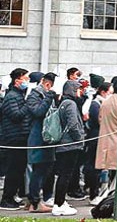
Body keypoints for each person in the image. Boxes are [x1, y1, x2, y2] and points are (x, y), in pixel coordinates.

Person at [52, 80, 86, 216]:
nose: (80, 92)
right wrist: (79, 138)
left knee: (64, 174)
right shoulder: (70, 104)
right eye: (78, 89)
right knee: (65, 175)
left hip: (65, 144)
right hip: (70, 145)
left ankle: (60, 201)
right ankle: (59, 204)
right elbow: (73, 124)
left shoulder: (64, 103)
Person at [0, 68, 31, 211]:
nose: (27, 81)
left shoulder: (19, 95)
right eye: (26, 78)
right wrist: (27, 104)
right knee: (13, 170)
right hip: (14, 138)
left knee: (18, 170)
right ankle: (7, 199)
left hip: (21, 136)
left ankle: (12, 197)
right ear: (17, 80)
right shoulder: (12, 96)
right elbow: (16, 115)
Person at [26, 72, 57, 213]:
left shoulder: (43, 95)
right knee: (38, 170)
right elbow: (38, 112)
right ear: (47, 83)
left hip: (46, 138)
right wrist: (49, 96)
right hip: (38, 138)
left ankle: (33, 201)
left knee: (44, 169)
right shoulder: (34, 95)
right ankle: (34, 202)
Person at [85, 82, 112, 205]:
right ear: (103, 92)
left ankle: (100, 191)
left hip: (103, 137)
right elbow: (99, 121)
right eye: (110, 93)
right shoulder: (96, 105)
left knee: (101, 167)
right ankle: (93, 193)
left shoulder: (103, 104)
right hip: (96, 138)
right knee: (95, 166)